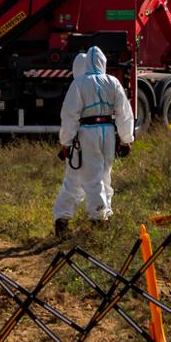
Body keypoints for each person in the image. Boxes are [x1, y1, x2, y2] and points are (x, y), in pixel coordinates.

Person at [52, 46, 135, 235]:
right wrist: (126, 139)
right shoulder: (113, 82)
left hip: (86, 132)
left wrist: (66, 142)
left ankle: (94, 218)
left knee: (92, 177)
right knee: (101, 176)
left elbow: (70, 115)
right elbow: (124, 113)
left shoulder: (79, 84)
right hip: (107, 132)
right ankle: (99, 217)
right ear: (103, 62)